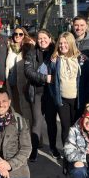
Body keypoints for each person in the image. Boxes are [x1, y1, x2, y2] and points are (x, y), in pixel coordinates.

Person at [49, 32, 81, 170]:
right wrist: (56, 96)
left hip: (77, 100)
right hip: (62, 100)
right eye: (60, 43)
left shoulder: (80, 59)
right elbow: (51, 81)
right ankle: (67, 158)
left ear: (71, 43)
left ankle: (78, 157)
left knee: (78, 130)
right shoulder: (55, 60)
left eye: (65, 43)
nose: (62, 45)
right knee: (66, 130)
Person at [23, 29, 56, 161]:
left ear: (50, 38)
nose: (42, 41)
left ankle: (53, 148)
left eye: (45, 38)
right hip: (37, 92)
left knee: (51, 122)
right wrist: (44, 78)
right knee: (37, 122)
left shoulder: (55, 51)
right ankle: (34, 150)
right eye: (40, 38)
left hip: (52, 93)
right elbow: (28, 71)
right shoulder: (31, 53)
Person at [5, 27, 33, 121]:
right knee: (14, 110)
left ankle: (28, 133)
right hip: (11, 84)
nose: (17, 36)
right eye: (15, 34)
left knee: (26, 111)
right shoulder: (9, 47)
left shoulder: (29, 47)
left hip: (24, 84)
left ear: (24, 35)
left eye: (20, 34)